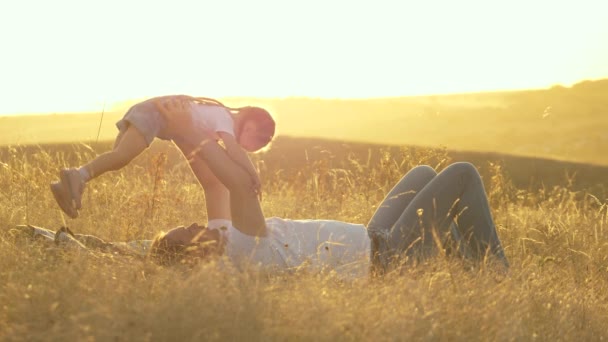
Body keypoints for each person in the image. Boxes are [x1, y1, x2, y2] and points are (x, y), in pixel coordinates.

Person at [147, 99, 510, 278]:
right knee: (462, 173)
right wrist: (196, 132)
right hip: (388, 258)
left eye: (187, 226)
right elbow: (237, 184)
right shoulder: (241, 251)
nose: (195, 226)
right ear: (194, 259)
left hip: (374, 237)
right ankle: (496, 275)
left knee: (424, 172)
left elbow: (213, 183)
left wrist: (180, 130)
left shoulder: (221, 234)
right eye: (187, 235)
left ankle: (469, 269)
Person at [50, 95, 275, 222]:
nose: (258, 142)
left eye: (261, 143)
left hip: (149, 112)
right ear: (247, 119)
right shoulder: (225, 119)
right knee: (121, 157)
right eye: (256, 136)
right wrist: (253, 174)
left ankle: (65, 185)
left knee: (116, 159)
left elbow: (226, 155)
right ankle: (78, 174)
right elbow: (234, 151)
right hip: (154, 115)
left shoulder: (218, 119)